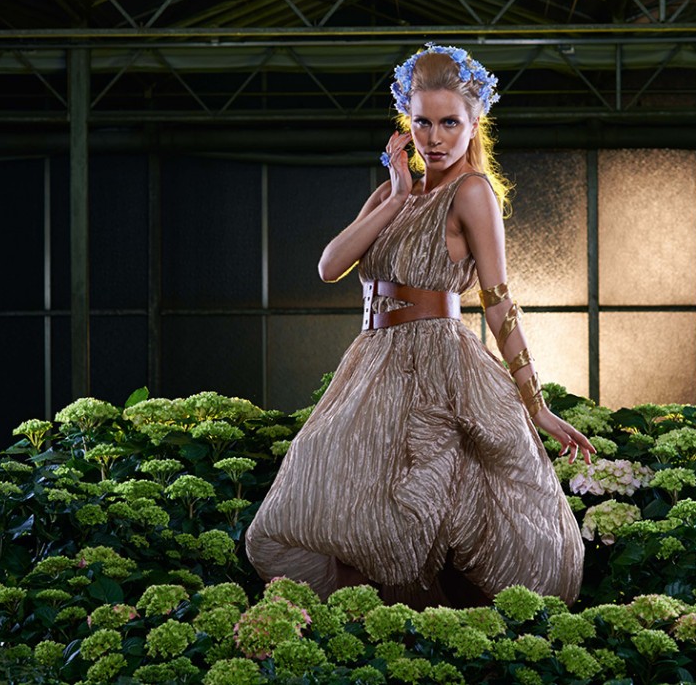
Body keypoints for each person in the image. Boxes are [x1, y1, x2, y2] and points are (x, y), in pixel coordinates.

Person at [245, 44, 595, 609]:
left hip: (440, 366)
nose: (434, 138)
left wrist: (536, 406)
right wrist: (398, 196)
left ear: (474, 122)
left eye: (449, 122)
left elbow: (499, 301)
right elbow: (330, 266)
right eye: (422, 122)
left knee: (424, 511)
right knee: (329, 505)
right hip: (374, 364)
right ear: (406, 125)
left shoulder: (472, 192)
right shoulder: (390, 193)